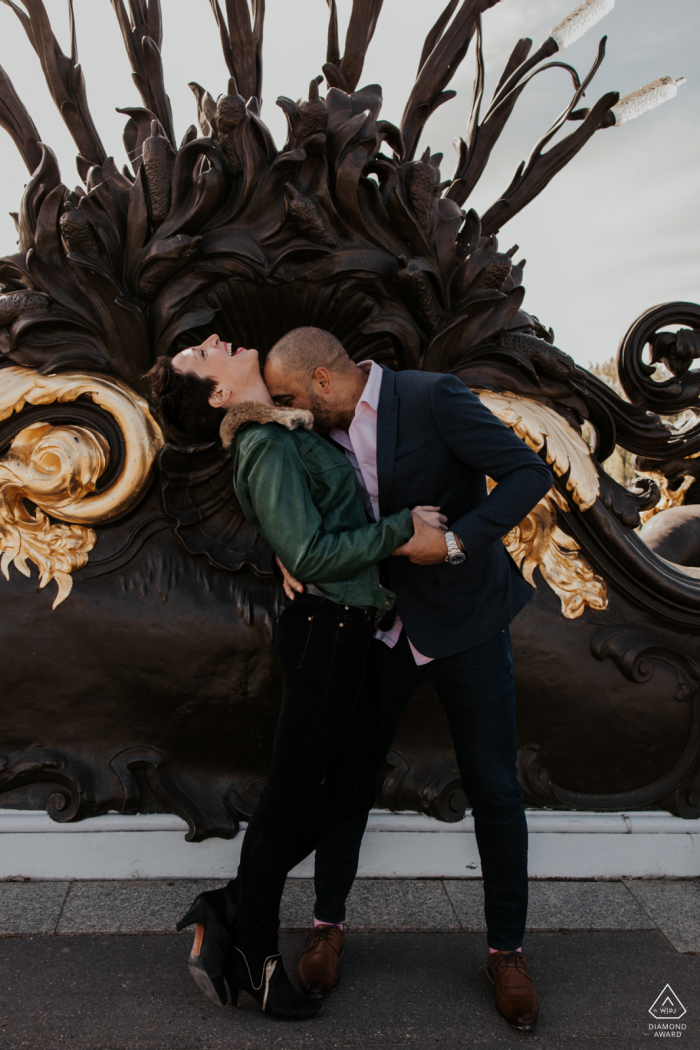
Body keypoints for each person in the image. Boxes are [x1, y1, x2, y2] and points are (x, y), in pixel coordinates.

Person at [263, 326, 553, 1032]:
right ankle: (327, 926)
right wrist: (287, 553)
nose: (289, 413)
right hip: (375, 630)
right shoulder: (308, 431)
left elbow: (527, 474)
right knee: (348, 783)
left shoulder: (433, 399)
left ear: (325, 382)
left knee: (494, 787)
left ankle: (507, 952)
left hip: (467, 624)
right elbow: (290, 504)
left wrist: (455, 544)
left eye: (292, 398)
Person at [146, 334, 444, 1021]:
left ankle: (231, 906)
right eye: (202, 351)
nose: (215, 338)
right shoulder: (264, 445)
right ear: (219, 395)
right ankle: (252, 957)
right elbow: (308, 549)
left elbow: (301, 536)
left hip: (348, 630)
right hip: (325, 634)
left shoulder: (280, 432)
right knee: (291, 796)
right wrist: (400, 530)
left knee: (351, 791)